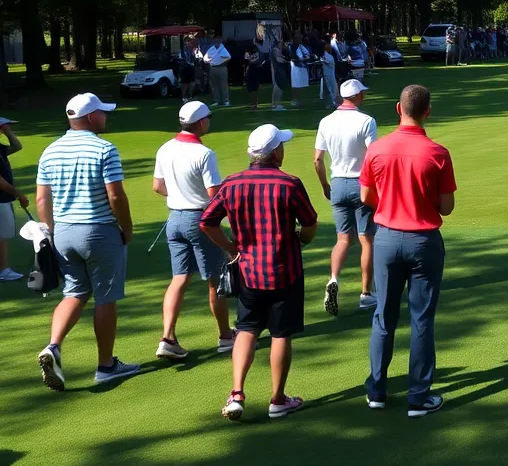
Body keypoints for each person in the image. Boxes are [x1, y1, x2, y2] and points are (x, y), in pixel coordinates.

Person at [201, 124, 318, 421]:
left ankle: (237, 392)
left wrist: (230, 247)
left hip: (249, 271)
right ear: (276, 152)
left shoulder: (232, 183)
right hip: (284, 270)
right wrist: (302, 239)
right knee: (280, 334)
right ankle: (278, 399)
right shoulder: (289, 183)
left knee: (246, 329)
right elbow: (309, 223)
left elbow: (207, 221)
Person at [361, 85, 456, 416]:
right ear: (428, 111)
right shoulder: (437, 153)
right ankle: (418, 396)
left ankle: (377, 390)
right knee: (421, 319)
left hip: (386, 238)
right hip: (423, 241)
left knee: (383, 317)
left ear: (397, 109)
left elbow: (366, 197)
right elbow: (446, 207)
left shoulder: (377, 149)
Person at [36, 93, 137, 390]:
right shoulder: (105, 148)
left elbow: (43, 199)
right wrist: (126, 228)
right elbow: (115, 195)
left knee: (75, 292)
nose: (106, 117)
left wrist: (52, 232)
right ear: (91, 117)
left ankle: (53, 346)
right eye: (102, 113)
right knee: (106, 297)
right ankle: (106, 366)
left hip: (64, 232)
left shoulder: (50, 150)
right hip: (99, 231)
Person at [152, 101, 234, 360]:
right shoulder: (204, 154)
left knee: (180, 278)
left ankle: (168, 337)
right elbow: (214, 195)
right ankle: (224, 336)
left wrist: (178, 194)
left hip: (174, 220)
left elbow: (157, 186)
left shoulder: (165, 148)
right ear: (200, 123)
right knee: (215, 280)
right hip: (200, 220)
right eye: (207, 118)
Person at [315, 79, 379, 316]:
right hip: (361, 183)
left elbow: (318, 159)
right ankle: (366, 293)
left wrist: (324, 185)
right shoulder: (366, 121)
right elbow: (373, 157)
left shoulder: (326, 121)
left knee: (343, 240)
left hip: (338, 183)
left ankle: (333, 279)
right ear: (359, 96)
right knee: (366, 240)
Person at [0, 119, 29, 281]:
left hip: (3, 198)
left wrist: (7, 132)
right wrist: (18, 193)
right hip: (1, 198)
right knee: (2, 236)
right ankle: (3, 270)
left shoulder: (0, 149)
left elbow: (17, 146)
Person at [203, 33, 231, 108]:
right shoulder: (211, 49)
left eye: (218, 39)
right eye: (215, 39)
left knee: (223, 85)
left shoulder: (223, 49)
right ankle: (217, 100)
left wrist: (221, 63)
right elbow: (205, 57)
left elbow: (228, 57)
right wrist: (208, 61)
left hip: (221, 68)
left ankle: (226, 100)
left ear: (220, 40)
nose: (216, 40)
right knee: (214, 85)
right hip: (212, 68)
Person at [289, 32, 310, 107]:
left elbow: (307, 55)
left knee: (300, 85)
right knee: (295, 84)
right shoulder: (290, 46)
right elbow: (290, 56)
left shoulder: (301, 46)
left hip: (301, 66)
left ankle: (299, 100)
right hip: (294, 67)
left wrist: (303, 58)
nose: (300, 40)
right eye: (298, 38)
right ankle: (294, 100)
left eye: (301, 38)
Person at [243, 45, 265, 110]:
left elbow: (260, 61)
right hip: (250, 72)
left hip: (256, 71)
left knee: (255, 88)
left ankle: (255, 103)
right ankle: (253, 102)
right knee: (250, 88)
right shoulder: (247, 54)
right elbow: (246, 60)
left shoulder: (259, 54)